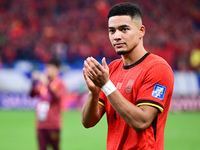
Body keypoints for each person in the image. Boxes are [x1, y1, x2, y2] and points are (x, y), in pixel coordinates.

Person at [81, 2, 174, 150]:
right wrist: (94, 92)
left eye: (124, 29)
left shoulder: (157, 68)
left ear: (141, 31)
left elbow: (142, 122)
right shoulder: (111, 69)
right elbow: (88, 122)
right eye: (112, 31)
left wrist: (106, 85)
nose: (117, 36)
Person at [30, 59, 66, 150]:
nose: (49, 70)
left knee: (55, 147)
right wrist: (33, 82)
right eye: (48, 68)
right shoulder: (41, 83)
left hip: (53, 124)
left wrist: (47, 84)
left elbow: (56, 97)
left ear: (58, 70)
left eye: (52, 68)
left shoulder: (60, 84)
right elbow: (32, 94)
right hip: (41, 124)